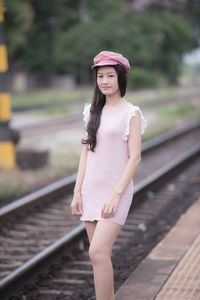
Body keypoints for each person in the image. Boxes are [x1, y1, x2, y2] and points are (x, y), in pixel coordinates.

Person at [70, 50, 147, 300]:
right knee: (98, 256)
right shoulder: (92, 111)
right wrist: (77, 191)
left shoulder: (131, 113)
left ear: (120, 78)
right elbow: (86, 153)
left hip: (116, 191)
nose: (104, 81)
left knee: (97, 253)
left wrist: (116, 194)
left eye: (110, 75)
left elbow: (135, 157)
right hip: (91, 190)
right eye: (100, 76)